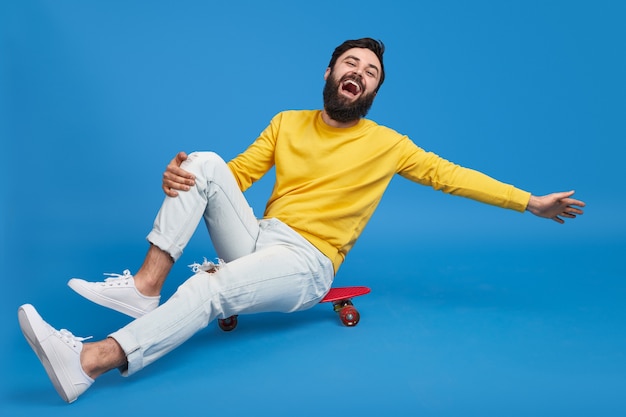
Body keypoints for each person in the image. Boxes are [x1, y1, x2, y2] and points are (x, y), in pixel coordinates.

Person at [17, 38, 585, 403]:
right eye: (350, 64)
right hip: (260, 240)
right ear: (330, 71)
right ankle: (145, 286)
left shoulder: (389, 145)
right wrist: (182, 177)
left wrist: (529, 202)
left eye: (370, 71)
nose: (359, 74)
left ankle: (89, 361)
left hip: (306, 262)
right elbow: (231, 177)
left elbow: (453, 176)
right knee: (206, 161)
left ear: (374, 90)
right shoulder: (287, 122)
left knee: (210, 286)